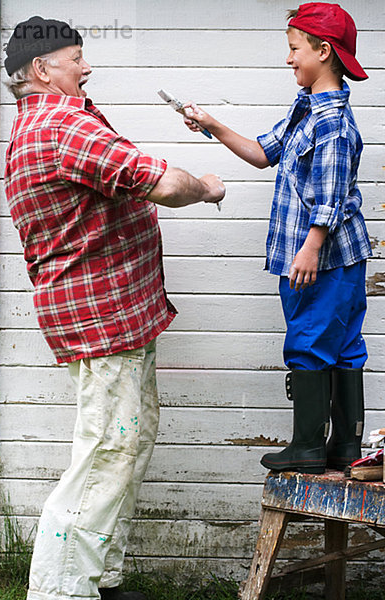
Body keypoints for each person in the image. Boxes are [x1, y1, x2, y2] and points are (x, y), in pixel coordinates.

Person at [3, 16, 225, 600]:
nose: (88, 67)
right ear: (43, 69)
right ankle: (59, 592)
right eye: (78, 58)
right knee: (105, 453)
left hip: (114, 318)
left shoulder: (48, 125)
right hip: (102, 319)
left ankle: (99, 579)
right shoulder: (59, 126)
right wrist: (205, 184)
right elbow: (163, 184)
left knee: (124, 446)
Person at [183, 2, 372, 475]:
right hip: (341, 259)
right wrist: (212, 125)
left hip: (322, 260)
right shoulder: (305, 109)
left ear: (323, 51)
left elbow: (328, 198)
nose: (288, 59)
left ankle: (308, 447)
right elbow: (264, 154)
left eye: (294, 49)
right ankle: (345, 448)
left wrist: (308, 249)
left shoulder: (331, 124)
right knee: (344, 344)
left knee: (310, 341)